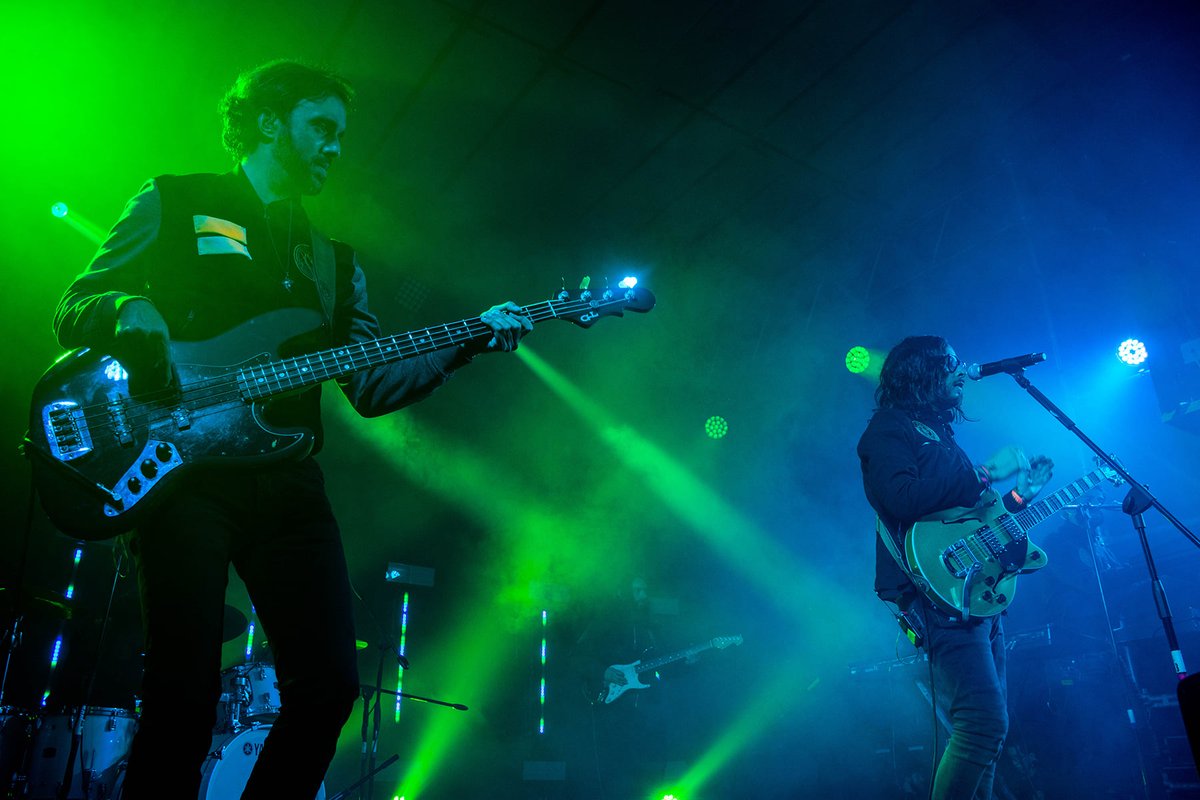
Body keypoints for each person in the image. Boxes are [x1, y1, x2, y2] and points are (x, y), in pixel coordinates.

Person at [51, 60, 532, 799]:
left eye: (341, 134)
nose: (335, 147)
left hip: (288, 485)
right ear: (270, 122)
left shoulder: (337, 267)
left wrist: (468, 340)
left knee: (330, 687)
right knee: (183, 689)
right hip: (181, 475)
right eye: (322, 128)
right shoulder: (174, 200)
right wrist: (120, 310)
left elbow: (370, 387)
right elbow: (76, 301)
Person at [857, 336, 1053, 800]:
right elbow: (900, 499)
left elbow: (966, 523)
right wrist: (984, 472)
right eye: (948, 363)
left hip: (973, 591)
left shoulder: (940, 434)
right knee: (981, 726)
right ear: (921, 374)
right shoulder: (888, 429)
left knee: (988, 733)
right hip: (937, 595)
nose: (961, 370)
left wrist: (1020, 498)